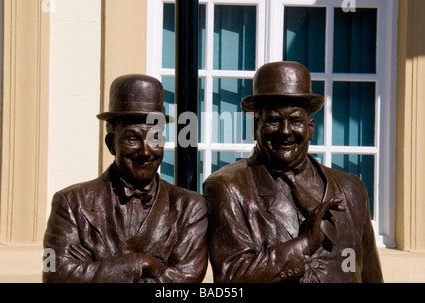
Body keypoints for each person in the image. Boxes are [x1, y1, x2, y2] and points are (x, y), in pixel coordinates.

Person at [203, 61, 383, 283]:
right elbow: (232, 275)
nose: (286, 131)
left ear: (310, 129)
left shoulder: (351, 189)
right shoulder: (228, 187)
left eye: (296, 120)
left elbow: (370, 275)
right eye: (274, 120)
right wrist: (305, 244)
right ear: (255, 127)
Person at [43, 74, 208, 283]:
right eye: (132, 139)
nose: (146, 151)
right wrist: (139, 264)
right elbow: (55, 274)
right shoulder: (70, 203)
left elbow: (185, 278)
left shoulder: (190, 208)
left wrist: (93, 270)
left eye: (155, 138)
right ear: (111, 143)